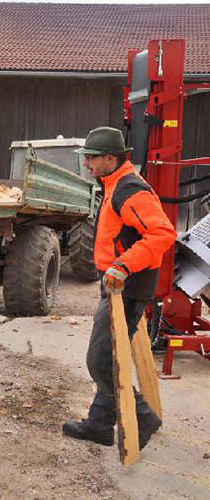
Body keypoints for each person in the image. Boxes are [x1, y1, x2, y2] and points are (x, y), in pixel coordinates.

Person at [63, 126, 176, 449]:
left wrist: (123, 265)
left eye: (91, 158)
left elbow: (162, 234)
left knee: (100, 360)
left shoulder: (129, 190)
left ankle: (142, 416)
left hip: (126, 285)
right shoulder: (114, 184)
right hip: (119, 283)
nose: (86, 163)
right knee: (108, 355)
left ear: (111, 158)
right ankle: (100, 424)